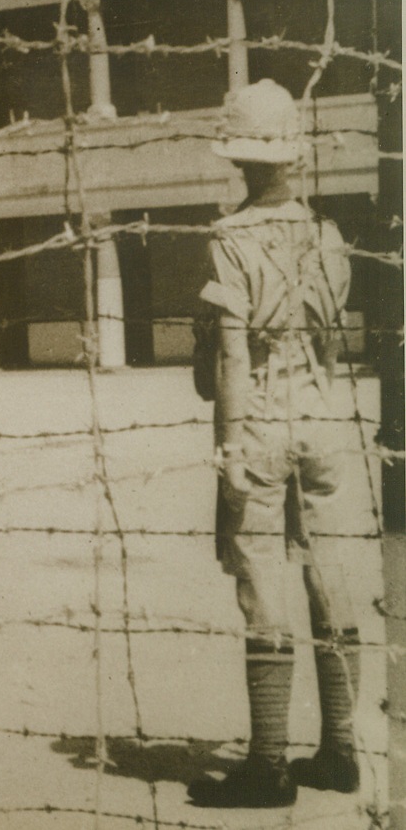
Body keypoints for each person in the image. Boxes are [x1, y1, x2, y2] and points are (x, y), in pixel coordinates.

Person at [186, 79, 356, 808]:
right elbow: (328, 330)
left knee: (262, 584)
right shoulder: (325, 234)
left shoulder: (230, 237)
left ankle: (268, 764)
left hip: (257, 415)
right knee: (329, 571)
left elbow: (227, 353)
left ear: (239, 160)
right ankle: (342, 749)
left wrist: (227, 446)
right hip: (319, 412)